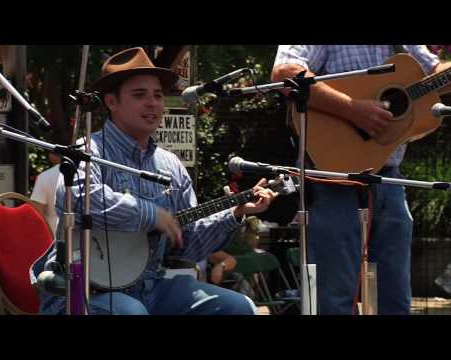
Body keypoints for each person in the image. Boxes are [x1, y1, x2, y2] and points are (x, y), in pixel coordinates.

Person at [37, 47, 277, 315]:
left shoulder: (170, 165)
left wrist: (235, 213)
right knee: (132, 312)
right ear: (111, 102)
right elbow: (80, 200)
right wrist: (151, 214)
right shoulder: (88, 151)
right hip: (85, 291)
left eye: (158, 95)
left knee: (238, 306)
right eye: (139, 95)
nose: (152, 103)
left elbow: (190, 245)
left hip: (153, 287)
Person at [271, 45, 451, 315]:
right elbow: (284, 72)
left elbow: (434, 75)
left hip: (389, 180)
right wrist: (353, 110)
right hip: (333, 178)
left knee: (395, 295)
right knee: (333, 298)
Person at [30, 152, 61, 235]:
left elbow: (36, 214)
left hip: (54, 236)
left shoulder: (45, 177)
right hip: (85, 236)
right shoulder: (87, 172)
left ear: (52, 155)